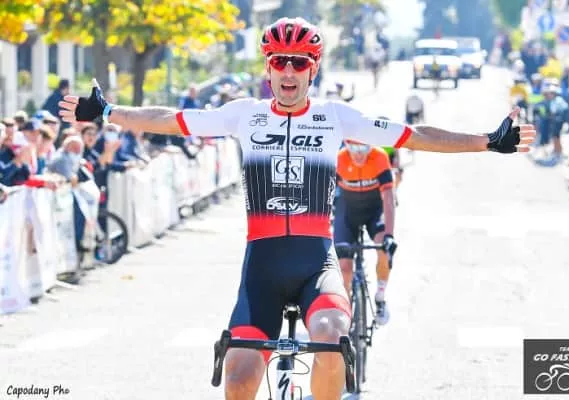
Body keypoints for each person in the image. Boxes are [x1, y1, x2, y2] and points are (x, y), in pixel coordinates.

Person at [60, 17, 535, 400]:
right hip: (262, 268)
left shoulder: (335, 118)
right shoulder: (244, 114)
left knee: (330, 338)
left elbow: (415, 136)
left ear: (313, 69)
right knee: (239, 378)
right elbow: (171, 119)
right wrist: (108, 112)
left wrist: (487, 142)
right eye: (280, 62)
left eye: (299, 63)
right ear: (269, 69)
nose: (289, 71)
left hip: (315, 264)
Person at [334, 140, 397, 325]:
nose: (359, 154)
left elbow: (388, 198)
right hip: (347, 212)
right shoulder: (339, 159)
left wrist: (389, 235)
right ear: (346, 145)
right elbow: (325, 194)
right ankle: (346, 314)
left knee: (384, 248)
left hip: (374, 211)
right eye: (354, 148)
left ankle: (380, 296)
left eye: (364, 148)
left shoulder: (379, 157)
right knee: (344, 268)